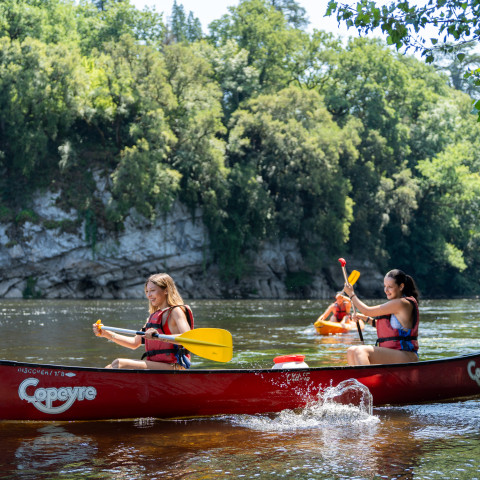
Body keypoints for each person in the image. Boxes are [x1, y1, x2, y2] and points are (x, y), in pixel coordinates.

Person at [92, 273, 193, 370]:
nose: (149, 295)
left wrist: (159, 337)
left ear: (166, 290)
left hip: (175, 366)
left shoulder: (176, 311)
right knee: (112, 365)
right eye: (147, 291)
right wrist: (107, 334)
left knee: (119, 363)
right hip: (159, 365)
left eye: (152, 290)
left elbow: (189, 338)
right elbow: (134, 343)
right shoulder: (153, 316)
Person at [344, 269, 420, 366]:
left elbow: (367, 311)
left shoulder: (402, 303)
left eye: (390, 287)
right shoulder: (394, 304)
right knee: (351, 350)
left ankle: (366, 380)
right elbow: (383, 326)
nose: (386, 290)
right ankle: (356, 380)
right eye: (385, 286)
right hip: (393, 354)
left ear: (401, 286)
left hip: (407, 355)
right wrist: (364, 318)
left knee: (361, 351)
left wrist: (351, 294)